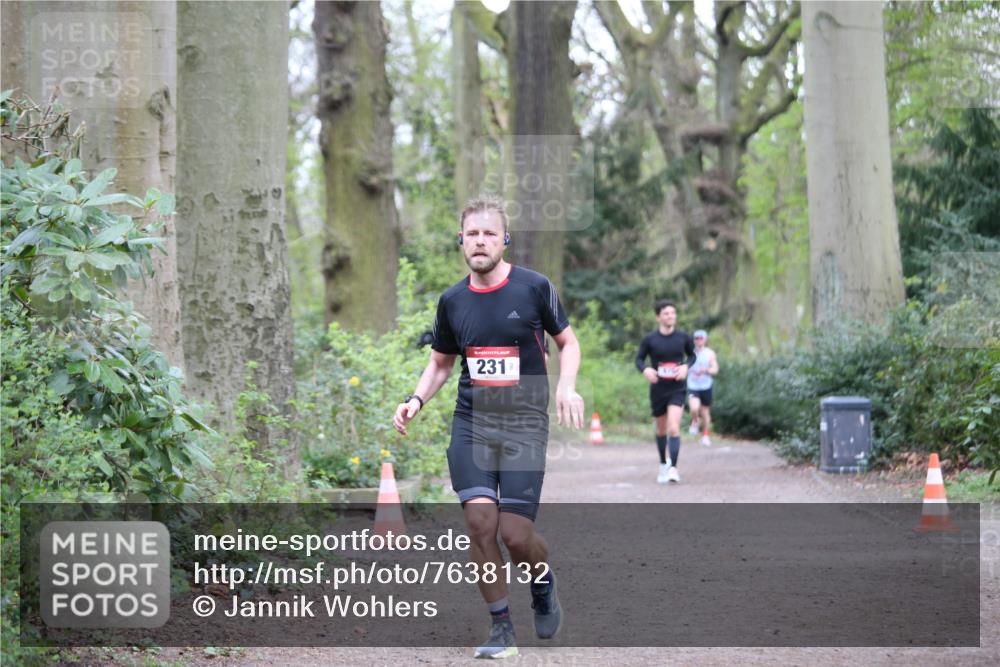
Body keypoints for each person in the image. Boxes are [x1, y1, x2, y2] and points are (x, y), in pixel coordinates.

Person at [393, 195, 585, 659]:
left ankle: (542, 583)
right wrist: (415, 399)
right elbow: (440, 364)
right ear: (462, 241)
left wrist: (567, 387)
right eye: (472, 234)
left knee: (516, 536)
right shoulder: (453, 301)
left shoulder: (534, 287)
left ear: (504, 240)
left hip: (523, 426)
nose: (480, 241)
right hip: (472, 424)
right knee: (481, 524)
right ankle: (501, 627)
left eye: (488, 233)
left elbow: (568, 342)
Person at [635, 300, 696, 484]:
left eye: (673, 313)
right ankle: (663, 464)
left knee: (673, 427)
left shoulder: (683, 337)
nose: (671, 316)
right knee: (661, 429)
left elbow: (692, 355)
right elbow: (638, 359)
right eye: (667, 313)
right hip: (658, 389)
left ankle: (673, 469)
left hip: (677, 388)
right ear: (658, 317)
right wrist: (645, 370)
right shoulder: (650, 339)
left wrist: (686, 367)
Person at [687, 329, 719, 446]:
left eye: (701, 338)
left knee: (705, 412)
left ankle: (705, 435)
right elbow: (683, 366)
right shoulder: (690, 352)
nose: (699, 340)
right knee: (694, 408)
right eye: (696, 338)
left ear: (705, 339)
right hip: (693, 385)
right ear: (694, 340)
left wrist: (705, 370)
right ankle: (695, 421)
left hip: (706, 386)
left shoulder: (709, 353)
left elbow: (715, 369)